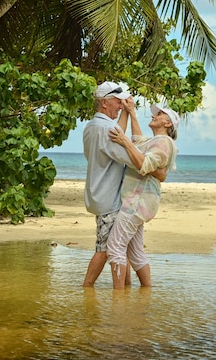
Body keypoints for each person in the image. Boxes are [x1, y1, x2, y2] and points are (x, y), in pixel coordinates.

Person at [82, 82, 166, 287]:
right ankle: (89, 290)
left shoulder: (91, 126)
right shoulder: (108, 129)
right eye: (118, 102)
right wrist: (159, 170)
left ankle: (125, 293)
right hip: (109, 198)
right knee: (106, 250)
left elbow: (117, 132)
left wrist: (128, 113)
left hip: (97, 193)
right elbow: (135, 160)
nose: (121, 106)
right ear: (104, 103)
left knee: (122, 248)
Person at [106, 102, 179, 289]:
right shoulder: (153, 141)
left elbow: (143, 164)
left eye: (161, 114)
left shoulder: (164, 142)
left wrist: (124, 141)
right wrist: (131, 113)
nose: (155, 115)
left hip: (136, 202)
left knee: (115, 247)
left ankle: (118, 299)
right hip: (139, 201)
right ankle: (146, 294)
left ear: (168, 124)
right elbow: (138, 141)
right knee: (135, 252)